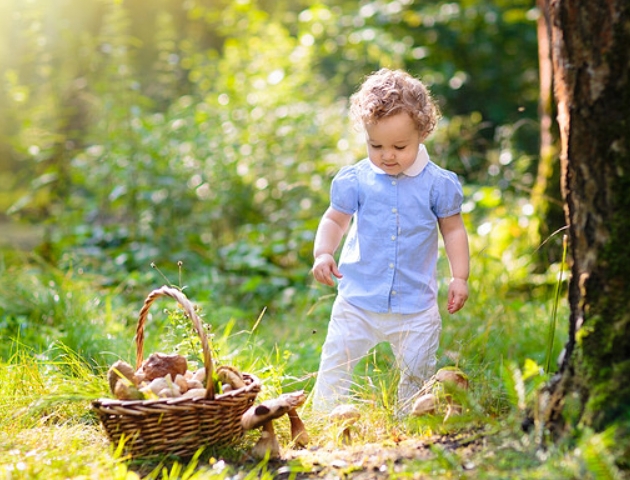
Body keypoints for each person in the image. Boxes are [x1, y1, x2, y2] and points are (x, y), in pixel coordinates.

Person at [310, 68, 469, 414]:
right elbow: (335, 219)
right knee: (337, 360)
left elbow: (453, 230)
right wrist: (323, 252)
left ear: (422, 133)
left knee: (416, 374)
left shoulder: (437, 184)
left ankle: (410, 418)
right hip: (358, 299)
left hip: (416, 305)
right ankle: (325, 415)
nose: (387, 155)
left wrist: (460, 277)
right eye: (375, 145)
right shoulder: (357, 180)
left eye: (400, 146)